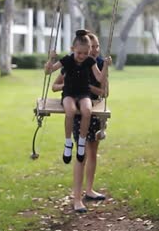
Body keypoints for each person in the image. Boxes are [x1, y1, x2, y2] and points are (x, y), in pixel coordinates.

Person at [51, 31, 108, 212]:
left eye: (96, 46)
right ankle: (77, 199)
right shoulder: (72, 63)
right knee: (80, 155)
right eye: (92, 47)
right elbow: (54, 86)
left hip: (94, 112)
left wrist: (90, 86)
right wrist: (70, 84)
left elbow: (105, 93)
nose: (95, 50)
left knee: (93, 152)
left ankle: (89, 190)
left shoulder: (96, 64)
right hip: (78, 111)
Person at [45, 30, 110, 167]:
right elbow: (48, 71)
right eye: (79, 53)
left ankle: (81, 141)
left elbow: (99, 78)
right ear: (73, 49)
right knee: (70, 111)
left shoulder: (90, 61)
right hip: (68, 93)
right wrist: (51, 59)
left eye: (85, 53)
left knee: (87, 110)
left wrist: (105, 66)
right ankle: (68, 143)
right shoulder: (67, 60)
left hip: (83, 93)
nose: (82, 56)